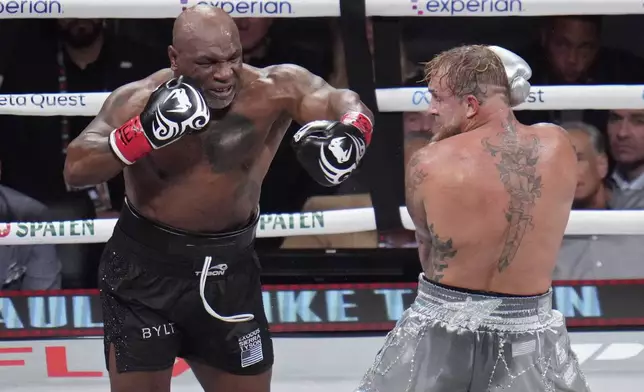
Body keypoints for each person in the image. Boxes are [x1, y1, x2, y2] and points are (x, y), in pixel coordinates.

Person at [63, 5, 374, 392]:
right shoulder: (139, 100)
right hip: (142, 276)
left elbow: (342, 100)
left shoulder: (275, 88)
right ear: (175, 60)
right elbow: (76, 168)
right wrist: (143, 134)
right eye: (207, 63)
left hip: (230, 272)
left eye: (233, 58)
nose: (225, 74)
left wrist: (353, 133)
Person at [355, 45, 590, 391]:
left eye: (437, 98)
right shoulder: (559, 145)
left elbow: (428, 252)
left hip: (443, 328)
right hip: (529, 331)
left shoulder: (428, 162)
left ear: (469, 105)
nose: (431, 110)